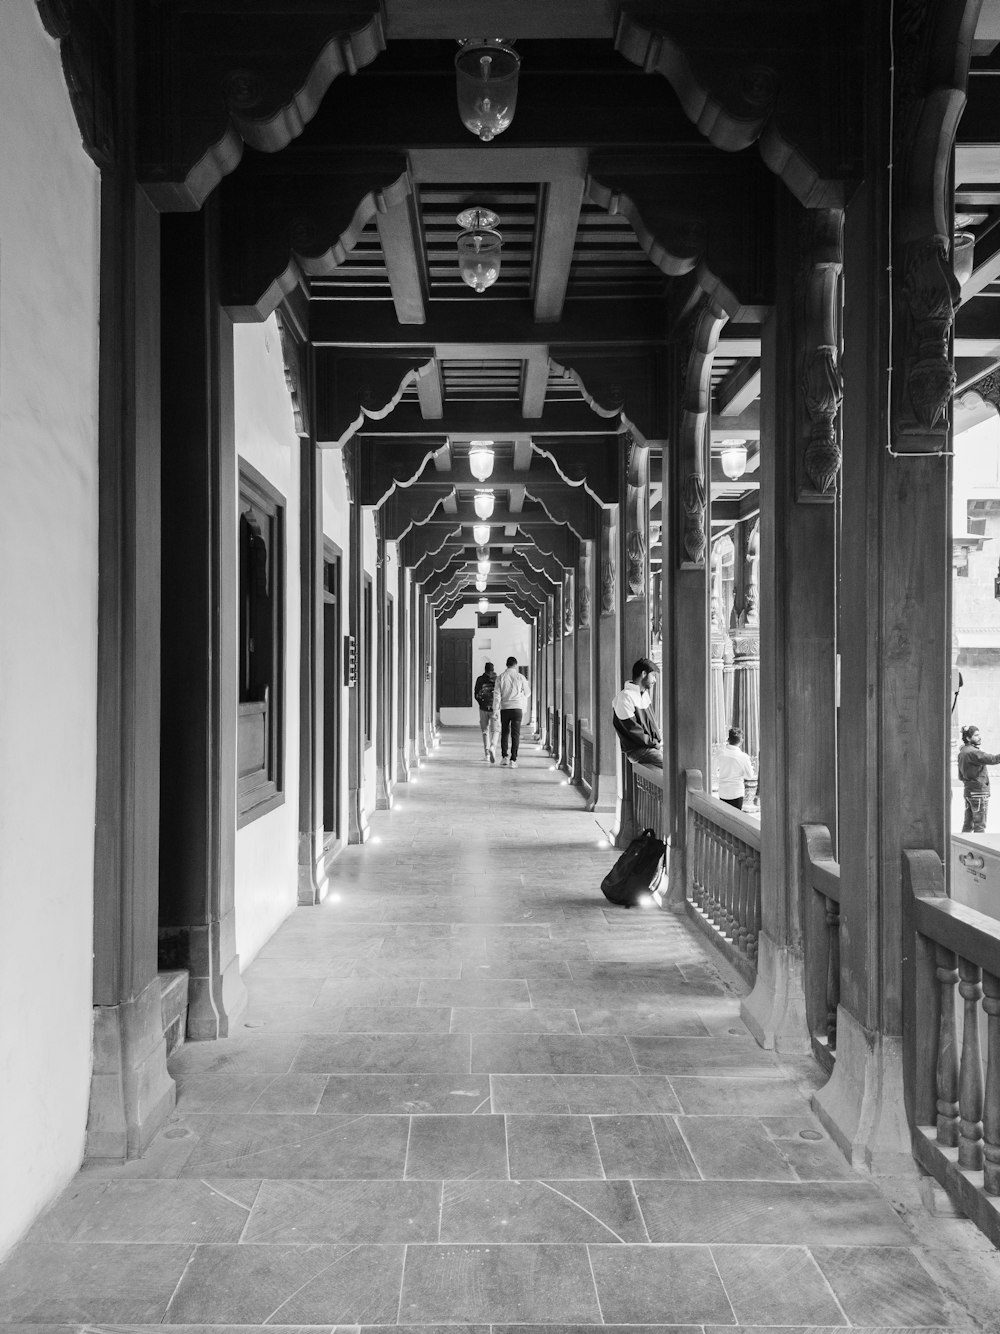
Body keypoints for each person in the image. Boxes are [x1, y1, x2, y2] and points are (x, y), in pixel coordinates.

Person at [612, 657, 662, 768]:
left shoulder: (644, 695)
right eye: (653, 675)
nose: (655, 680)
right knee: (671, 768)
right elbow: (633, 730)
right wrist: (654, 743)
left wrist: (656, 742)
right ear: (644, 673)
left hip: (648, 747)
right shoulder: (625, 697)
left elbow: (651, 725)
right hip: (638, 750)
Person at [958, 724, 1000, 833]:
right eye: (976, 735)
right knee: (980, 827)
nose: (979, 737)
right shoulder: (973, 752)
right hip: (978, 793)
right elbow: (994, 759)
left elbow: (960, 775)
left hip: (969, 792)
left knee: (968, 825)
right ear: (968, 738)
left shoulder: (963, 752)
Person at [495, 655, 530, 767]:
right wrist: (520, 696)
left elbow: (497, 695)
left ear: (507, 665)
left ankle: (504, 757)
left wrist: (495, 709)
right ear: (515, 665)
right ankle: (513, 760)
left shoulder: (500, 677)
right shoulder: (521, 677)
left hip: (505, 708)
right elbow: (528, 692)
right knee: (515, 734)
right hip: (517, 709)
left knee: (505, 732)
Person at [716, 726, 756, 809]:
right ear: (741, 741)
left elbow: (715, 770)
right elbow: (749, 776)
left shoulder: (720, 753)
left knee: (724, 817)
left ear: (728, 739)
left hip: (723, 791)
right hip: (736, 792)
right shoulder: (743, 757)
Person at [473, 661, 499, 763]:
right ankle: (493, 746)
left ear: (485, 669)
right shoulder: (497, 679)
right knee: (495, 730)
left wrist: (481, 703)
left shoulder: (480, 679)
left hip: (483, 708)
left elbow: (476, 693)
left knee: (485, 731)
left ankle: (487, 754)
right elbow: (499, 694)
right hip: (494, 708)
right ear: (493, 669)